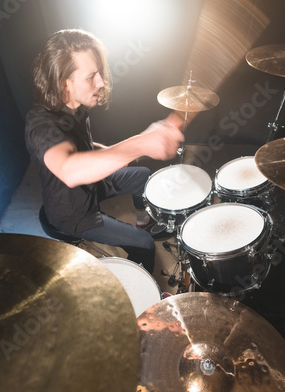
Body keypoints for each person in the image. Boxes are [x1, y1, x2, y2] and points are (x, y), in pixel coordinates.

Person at [25, 29, 184, 274]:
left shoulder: (76, 106)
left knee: (143, 176)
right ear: (63, 82)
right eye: (91, 76)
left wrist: (119, 152)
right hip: (73, 213)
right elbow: (70, 169)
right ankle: (138, 287)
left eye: (99, 72)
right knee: (144, 244)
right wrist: (141, 144)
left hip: (94, 185)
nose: (100, 81)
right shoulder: (42, 125)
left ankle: (143, 220)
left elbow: (86, 149)